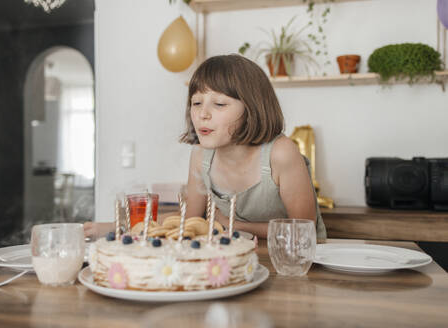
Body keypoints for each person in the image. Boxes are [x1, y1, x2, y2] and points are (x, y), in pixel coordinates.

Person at [84, 54, 326, 240]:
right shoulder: (202, 155)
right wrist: (119, 226)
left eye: (219, 104)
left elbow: (304, 232)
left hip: (293, 265)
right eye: (196, 102)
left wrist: (234, 224)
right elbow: (190, 218)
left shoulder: (281, 153)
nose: (202, 114)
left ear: (252, 109)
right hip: (233, 261)